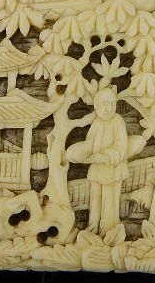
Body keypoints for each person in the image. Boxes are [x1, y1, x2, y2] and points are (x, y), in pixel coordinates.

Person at [66, 88, 129, 235]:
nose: (109, 108)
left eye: (113, 104)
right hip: (96, 169)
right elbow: (90, 142)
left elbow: (121, 147)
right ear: (96, 105)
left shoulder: (118, 121)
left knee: (109, 199)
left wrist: (105, 156)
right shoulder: (97, 122)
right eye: (105, 103)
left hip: (113, 169)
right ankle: (93, 227)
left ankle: (107, 229)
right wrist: (82, 152)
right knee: (95, 198)